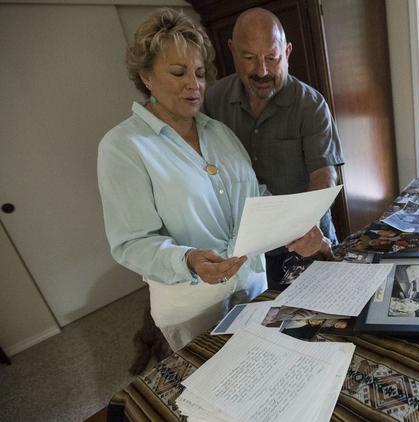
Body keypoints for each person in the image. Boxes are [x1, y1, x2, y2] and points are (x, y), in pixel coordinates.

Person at [97, 9, 329, 352]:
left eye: (200, 73)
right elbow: (130, 243)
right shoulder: (123, 148)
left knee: (265, 365)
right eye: (178, 73)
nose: (194, 85)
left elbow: (254, 194)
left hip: (252, 283)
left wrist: (295, 225)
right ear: (146, 76)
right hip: (193, 304)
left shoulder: (219, 132)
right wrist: (187, 260)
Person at [202, 8, 344, 286]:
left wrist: (309, 223)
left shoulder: (310, 104)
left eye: (271, 57)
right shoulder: (213, 99)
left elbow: (324, 173)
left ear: (287, 52)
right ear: (231, 51)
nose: (262, 70)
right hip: (246, 241)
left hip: (304, 233)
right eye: (249, 58)